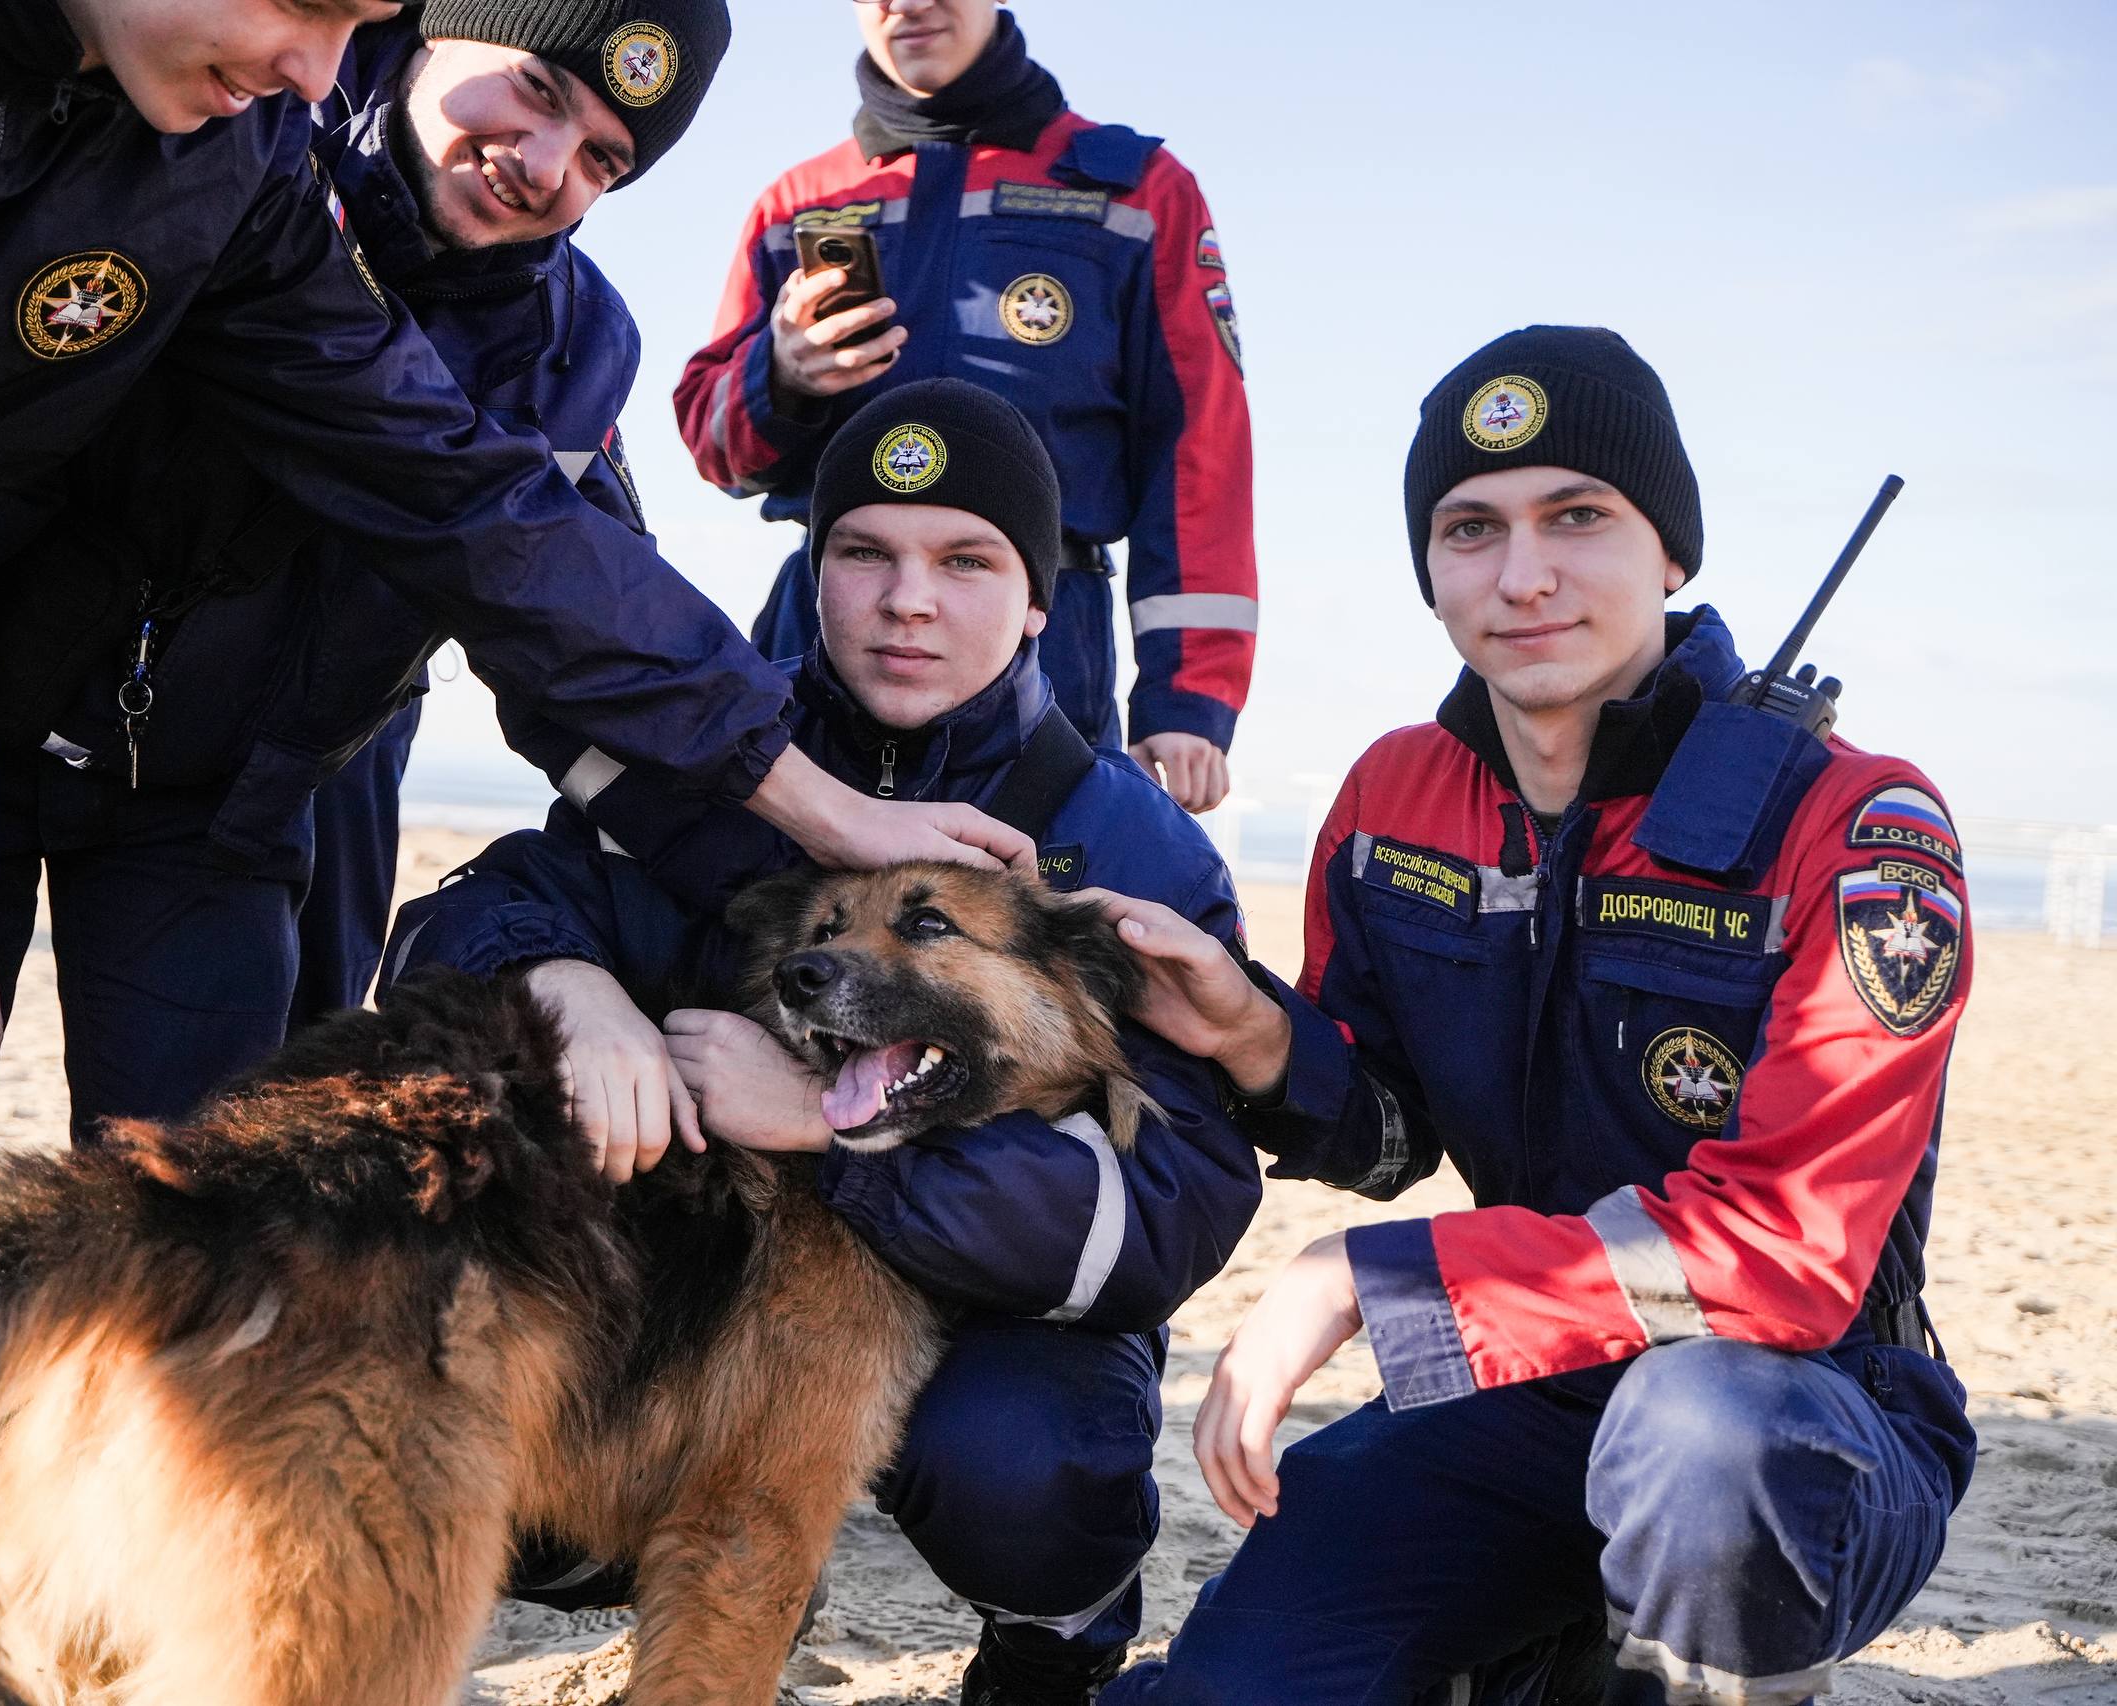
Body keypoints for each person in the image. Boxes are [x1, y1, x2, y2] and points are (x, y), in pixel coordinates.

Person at [0, 1, 1022, 1697]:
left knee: (213, 1209)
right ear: (419, 41)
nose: (543, 165)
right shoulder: (188, 165)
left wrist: (796, 860)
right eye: (526, 93)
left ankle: (126, 1581)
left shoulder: (561, 352)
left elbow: (568, 625)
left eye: (603, 158)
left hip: (215, 820)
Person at [1083, 327, 1976, 1705]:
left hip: (1799, 1405)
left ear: (1671, 550)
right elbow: (1386, 1129)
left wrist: (1366, 1278)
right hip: (1524, 1393)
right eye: (1470, 527)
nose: (1524, 573)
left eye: (1579, 517)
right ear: (1431, 569)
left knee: (1699, 1440)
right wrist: (1254, 1033)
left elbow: (1789, 1253)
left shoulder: (1854, 819)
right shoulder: (1396, 795)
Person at [387, 380, 1264, 1705]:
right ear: (814, 575)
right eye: (863, 551)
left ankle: (1050, 1640)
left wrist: (833, 1137)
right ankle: (698, 1582)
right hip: (743, 1304)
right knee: (524, 1428)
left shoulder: (1134, 845)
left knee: (1027, 1464)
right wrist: (562, 980)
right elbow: (465, 915)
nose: (908, 598)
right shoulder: (714, 754)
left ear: (1040, 598)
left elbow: (1179, 1206)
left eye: (967, 559)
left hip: (1011, 1321)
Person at [674, 0, 1256, 811]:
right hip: (821, 628)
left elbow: (1200, 453)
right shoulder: (797, 202)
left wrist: (1188, 698)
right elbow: (710, 443)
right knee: (779, 919)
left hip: (1048, 637)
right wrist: (782, 376)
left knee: (1020, 927)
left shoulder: (1140, 192)